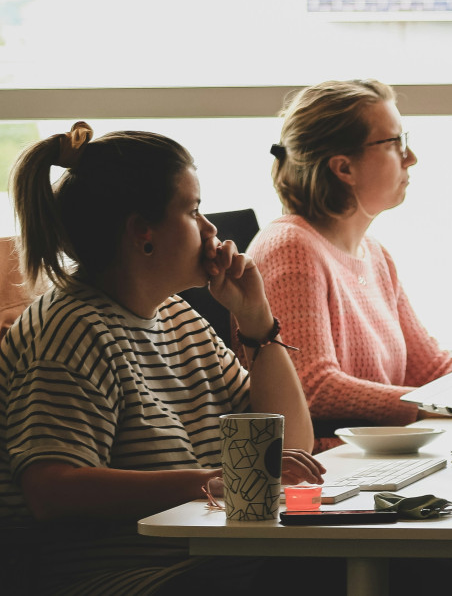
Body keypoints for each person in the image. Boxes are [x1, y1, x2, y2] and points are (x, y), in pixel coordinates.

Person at [0, 123, 325, 595]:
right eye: (193, 210)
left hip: (214, 562)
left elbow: (290, 445)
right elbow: (52, 488)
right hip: (134, 579)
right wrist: (216, 480)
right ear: (142, 232)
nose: (212, 228)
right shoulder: (70, 331)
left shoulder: (176, 316)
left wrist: (256, 322)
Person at [250, 80, 452, 448]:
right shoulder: (291, 248)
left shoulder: (375, 253)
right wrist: (429, 406)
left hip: (378, 458)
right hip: (327, 470)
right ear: (344, 168)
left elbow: (429, 368)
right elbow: (313, 387)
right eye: (395, 142)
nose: (411, 157)